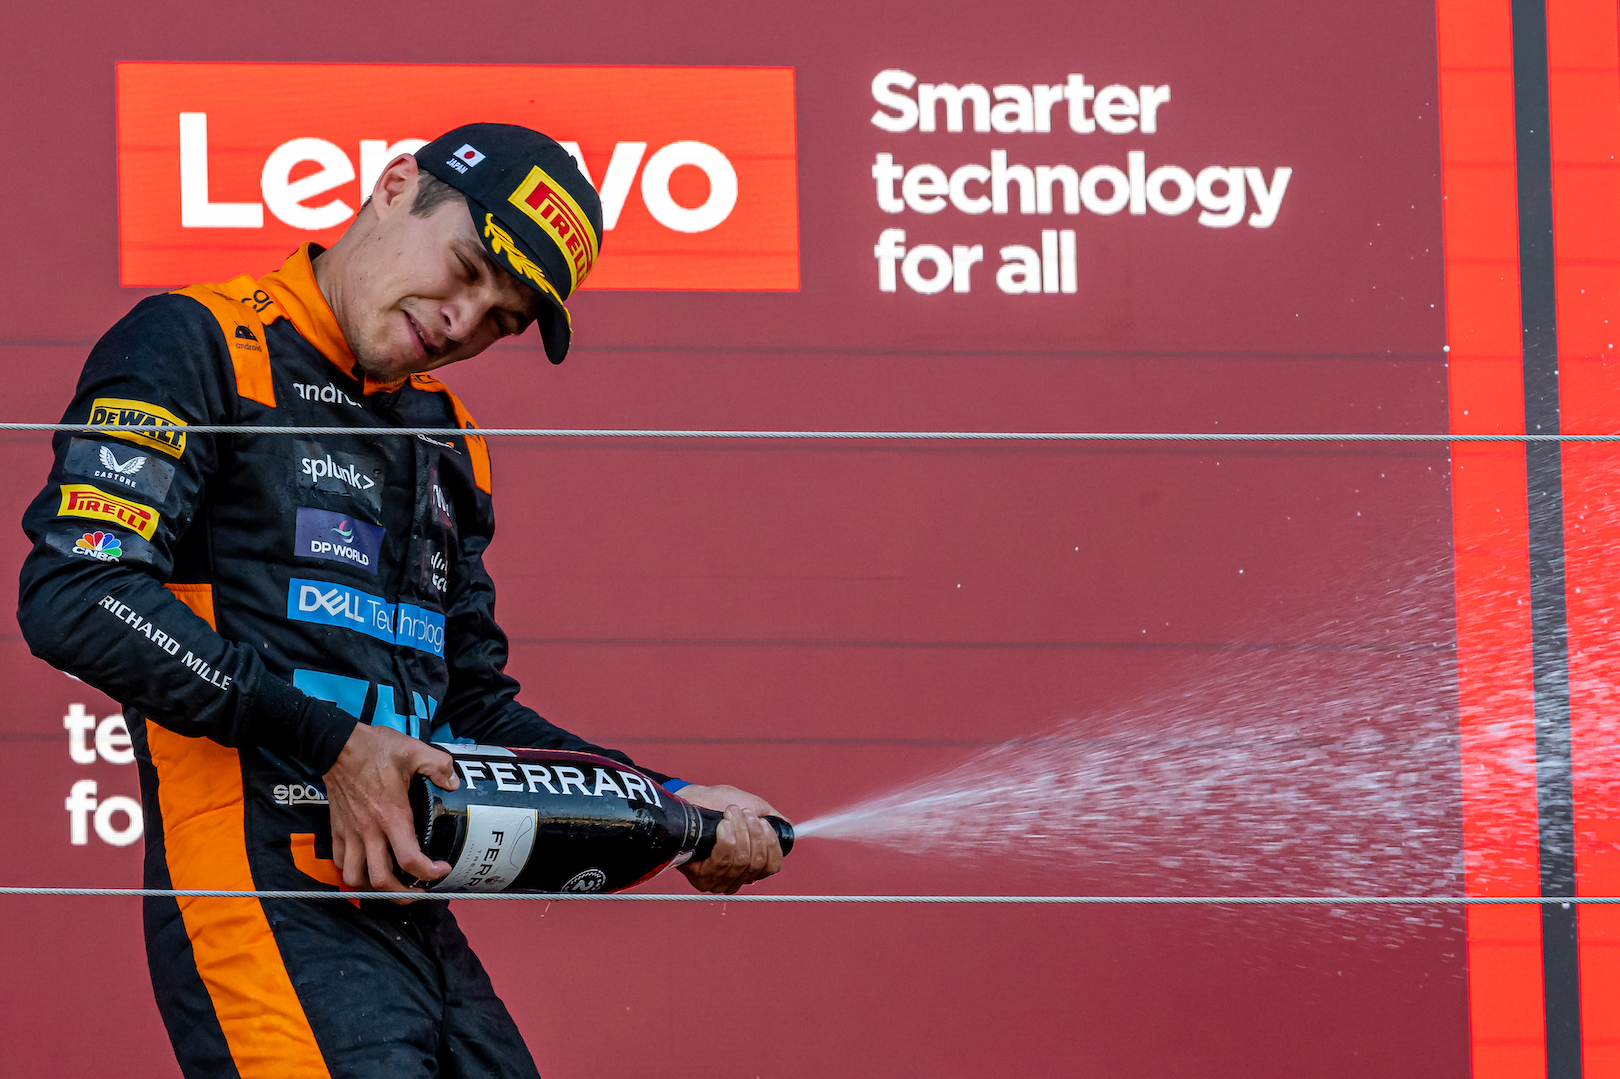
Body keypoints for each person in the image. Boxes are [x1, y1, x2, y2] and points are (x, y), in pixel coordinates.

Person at [17, 123, 784, 1079]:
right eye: (467, 267)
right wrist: (335, 746)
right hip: (260, 895)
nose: (466, 320)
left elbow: (466, 702)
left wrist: (661, 801)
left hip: (413, 906)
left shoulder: (448, 435)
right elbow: (75, 591)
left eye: (502, 317)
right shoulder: (202, 341)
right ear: (392, 188)